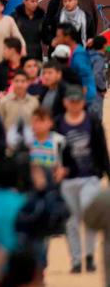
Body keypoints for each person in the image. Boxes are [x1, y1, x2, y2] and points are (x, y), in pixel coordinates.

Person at [57, 84, 109, 273]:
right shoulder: (58, 123)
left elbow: (102, 149)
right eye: (71, 101)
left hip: (90, 177)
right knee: (71, 221)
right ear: (65, 103)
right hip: (68, 179)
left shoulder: (92, 121)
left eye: (77, 101)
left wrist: (106, 171)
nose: (74, 105)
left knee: (88, 215)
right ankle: (76, 259)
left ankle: (89, 255)